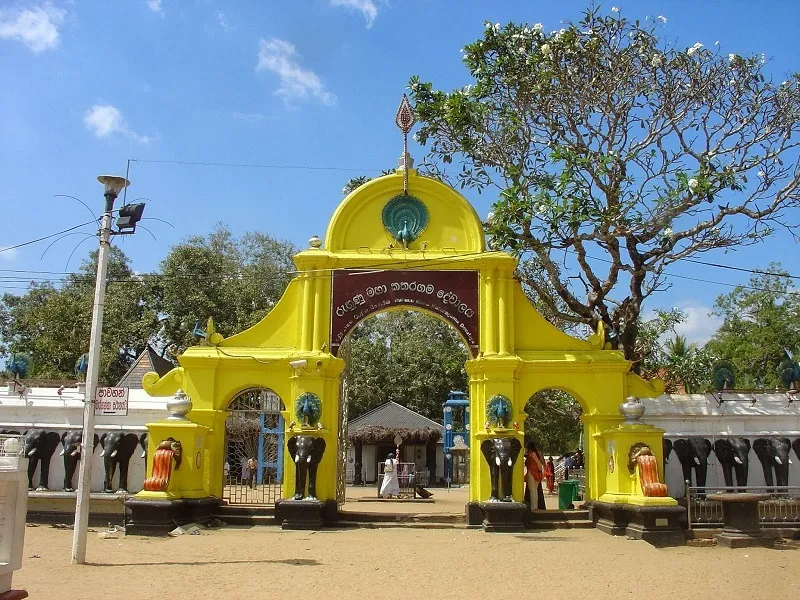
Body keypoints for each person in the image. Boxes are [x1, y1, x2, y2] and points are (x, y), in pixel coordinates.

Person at [523, 440, 546, 510]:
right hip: (536, 473)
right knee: (534, 490)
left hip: (532, 472)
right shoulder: (537, 453)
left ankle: (533, 506)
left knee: (532, 491)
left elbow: (539, 464)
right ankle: (535, 506)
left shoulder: (532, 454)